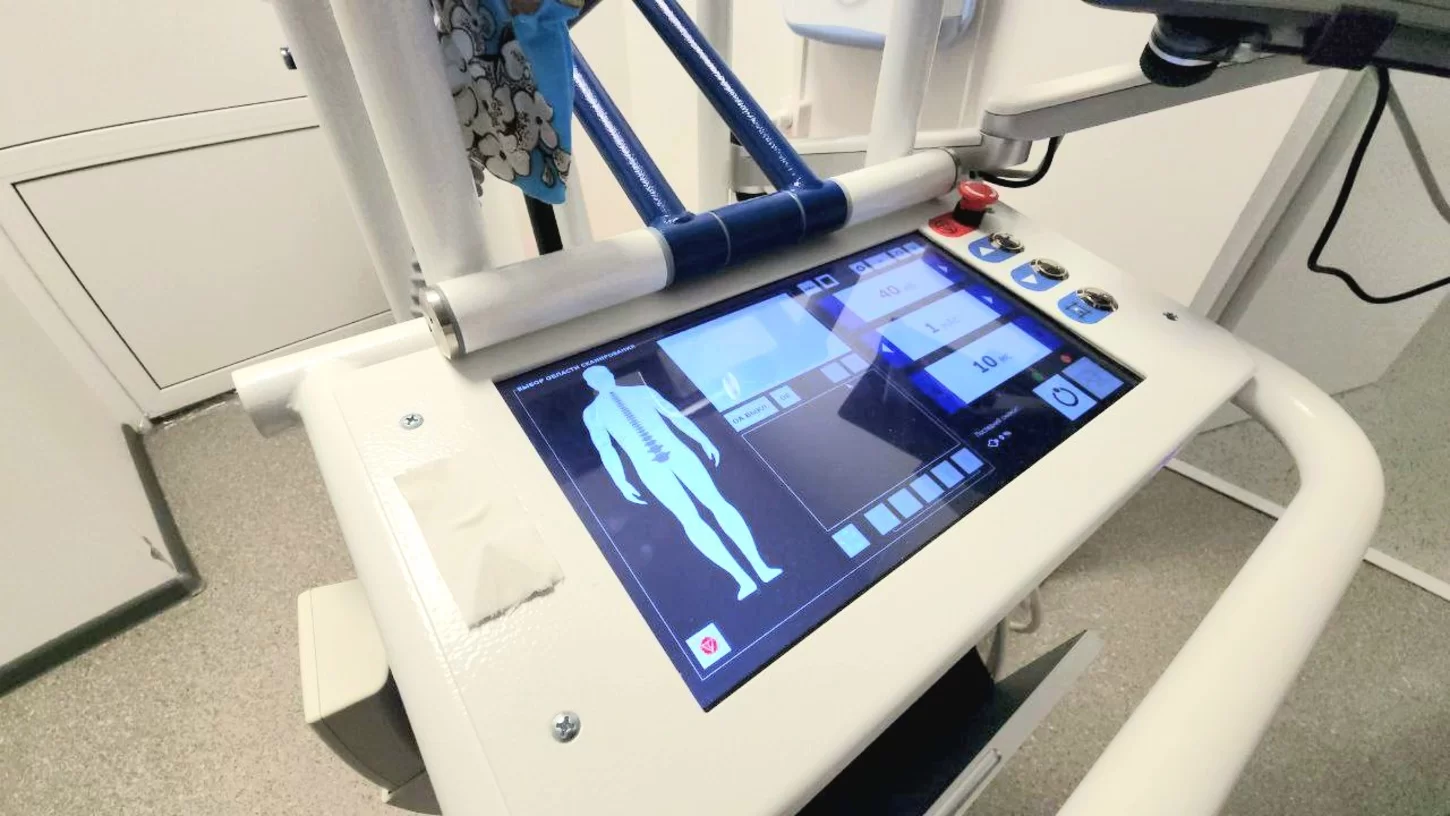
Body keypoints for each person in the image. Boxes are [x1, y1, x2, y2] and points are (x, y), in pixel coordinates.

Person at [581, 365, 783, 599]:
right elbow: (605, 449)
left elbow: (677, 417)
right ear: (591, 385)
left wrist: (703, 440)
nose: (601, 380)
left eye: (602, 375)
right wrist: (621, 481)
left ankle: (760, 567)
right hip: (650, 468)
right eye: (596, 379)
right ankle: (742, 579)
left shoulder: (641, 391)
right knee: (690, 519)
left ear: (609, 375)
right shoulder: (593, 413)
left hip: (678, 454)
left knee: (717, 503)